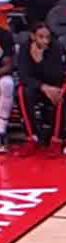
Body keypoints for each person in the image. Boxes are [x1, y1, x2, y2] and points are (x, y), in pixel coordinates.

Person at [15, 21, 66, 156]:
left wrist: (41, 60)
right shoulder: (25, 48)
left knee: (62, 92)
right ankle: (31, 138)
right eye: (41, 37)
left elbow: (56, 75)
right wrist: (42, 87)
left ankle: (56, 140)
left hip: (55, 84)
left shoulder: (57, 47)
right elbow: (23, 75)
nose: (45, 41)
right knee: (21, 91)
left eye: (48, 37)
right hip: (38, 85)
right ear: (33, 36)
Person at [0, 13, 11, 153]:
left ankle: (1, 130)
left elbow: (8, 65)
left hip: (0, 75)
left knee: (7, 84)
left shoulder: (5, 35)